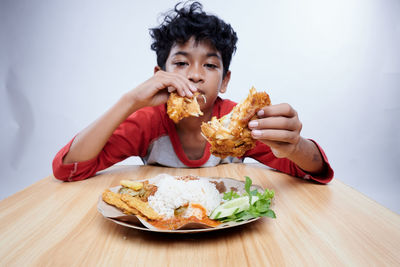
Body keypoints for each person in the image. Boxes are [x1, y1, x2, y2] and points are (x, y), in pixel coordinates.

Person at [52, 2, 333, 183]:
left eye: (210, 65)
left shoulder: (241, 122)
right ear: (159, 76)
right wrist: (130, 101)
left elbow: (313, 171)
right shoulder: (147, 122)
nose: (195, 74)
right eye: (181, 63)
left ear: (225, 81)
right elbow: (69, 167)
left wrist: (295, 146)